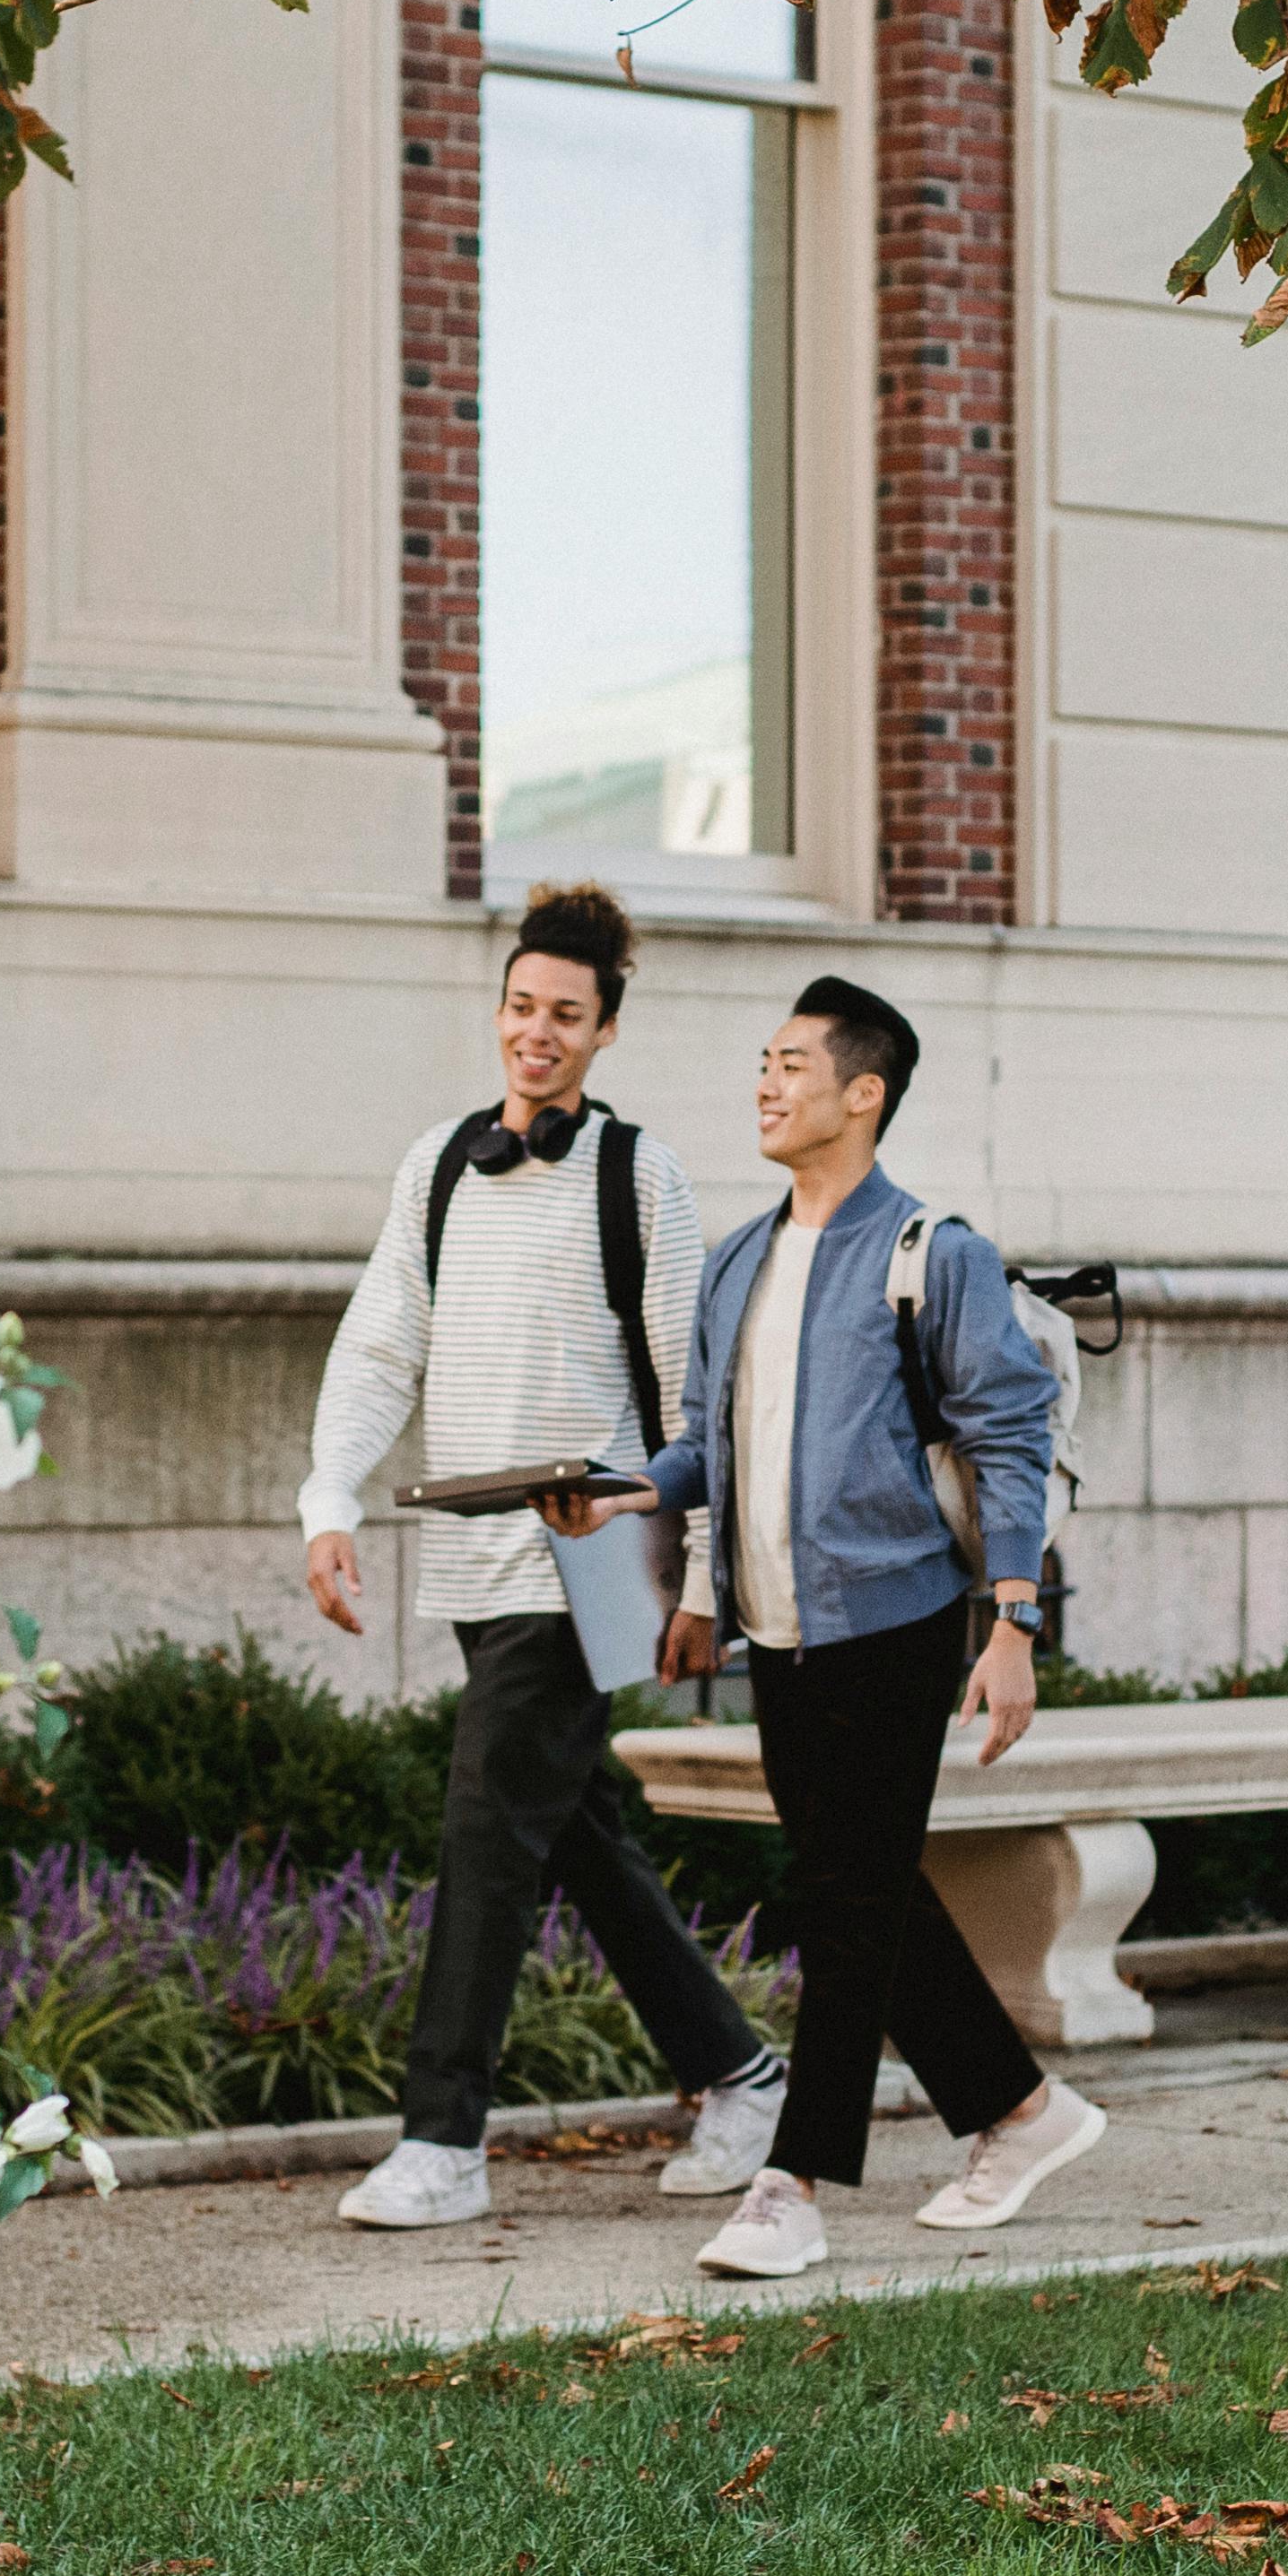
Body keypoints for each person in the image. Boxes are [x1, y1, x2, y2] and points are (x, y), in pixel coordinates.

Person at [542, 976, 1101, 2280]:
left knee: (844, 1901)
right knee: (863, 1894)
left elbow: (1009, 1437)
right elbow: (704, 1449)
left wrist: (1011, 1623)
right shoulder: (739, 1261)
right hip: (774, 1631)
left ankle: (792, 2184)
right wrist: (633, 1506)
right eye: (762, 1061)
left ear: (866, 1092)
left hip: (898, 1619)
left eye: (793, 1064)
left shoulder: (932, 1252)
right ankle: (1024, 2113)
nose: (766, 1083)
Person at [301, 887, 788, 2231]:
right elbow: (381, 1341)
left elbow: (697, 1396)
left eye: (566, 1015)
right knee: (573, 1839)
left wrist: (700, 1583)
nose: (538, 1033)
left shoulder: (643, 1174)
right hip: (468, 1559)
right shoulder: (442, 1166)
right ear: (501, 1012)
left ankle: (443, 2141)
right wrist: (326, 1498)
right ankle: (744, 2076)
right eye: (522, 1008)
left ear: (605, 1030)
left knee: (485, 1830)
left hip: (585, 1562)